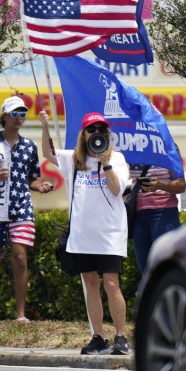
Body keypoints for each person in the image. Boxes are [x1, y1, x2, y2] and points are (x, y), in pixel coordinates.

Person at [42, 110, 132, 355]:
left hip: (110, 235)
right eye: (92, 130)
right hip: (83, 236)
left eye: (101, 130)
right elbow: (48, 153)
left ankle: (121, 337)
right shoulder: (74, 160)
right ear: (83, 134)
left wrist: (106, 164)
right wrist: (45, 126)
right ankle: (98, 337)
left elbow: (116, 190)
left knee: (111, 285)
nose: (97, 134)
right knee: (90, 284)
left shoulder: (119, 159)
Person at [0, 96, 53, 323]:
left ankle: (20, 315)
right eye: (14, 114)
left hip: (21, 207)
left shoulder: (29, 146)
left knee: (20, 258)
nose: (19, 118)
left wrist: (40, 186)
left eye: (22, 114)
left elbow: (32, 179)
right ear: (4, 116)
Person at [130, 163, 186, 275]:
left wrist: (160, 185)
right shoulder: (131, 147)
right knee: (145, 270)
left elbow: (181, 185)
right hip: (138, 215)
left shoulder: (168, 147)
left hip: (164, 213)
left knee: (166, 265)